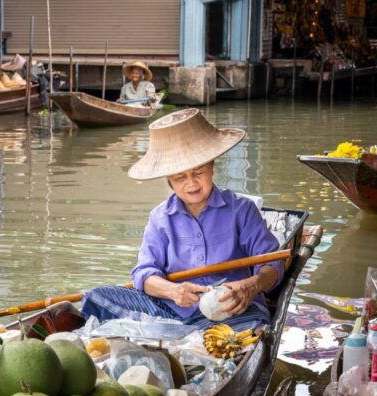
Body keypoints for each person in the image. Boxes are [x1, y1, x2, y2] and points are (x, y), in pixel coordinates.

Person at [81, 109, 283, 332]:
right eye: (180, 177)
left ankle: (178, 335)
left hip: (231, 311)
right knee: (96, 297)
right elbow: (144, 273)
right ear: (169, 180)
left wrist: (250, 286)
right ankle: (183, 332)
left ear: (212, 166)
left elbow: (272, 264)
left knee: (253, 328)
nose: (192, 184)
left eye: (199, 172)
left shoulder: (242, 210)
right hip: (171, 310)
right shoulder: (160, 218)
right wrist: (173, 291)